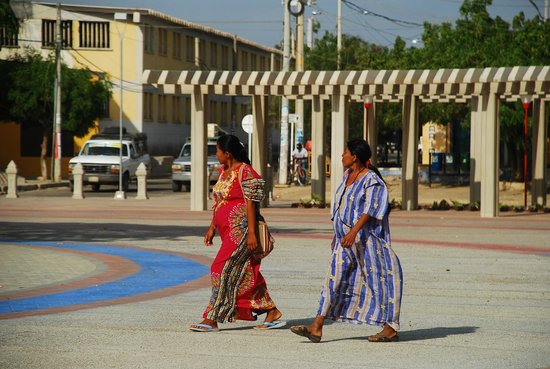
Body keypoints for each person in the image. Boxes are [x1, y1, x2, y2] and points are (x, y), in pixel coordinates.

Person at [290, 138, 403, 343]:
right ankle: (317, 326)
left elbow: (371, 209)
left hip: (368, 242)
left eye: (345, 152)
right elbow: (341, 207)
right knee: (333, 278)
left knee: (378, 281)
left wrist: (353, 232)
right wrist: (338, 234)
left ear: (355, 157)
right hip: (345, 242)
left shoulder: (371, 180)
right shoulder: (347, 175)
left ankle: (390, 327)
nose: (342, 156)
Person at [190, 134, 285, 332]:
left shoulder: (245, 171)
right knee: (247, 271)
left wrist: (251, 233)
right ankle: (271, 311)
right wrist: (212, 227)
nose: (215, 154)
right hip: (226, 231)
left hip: (241, 231)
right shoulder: (223, 171)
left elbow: (252, 204)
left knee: (220, 267)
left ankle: (212, 317)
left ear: (228, 153)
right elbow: (219, 202)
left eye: (217, 150)